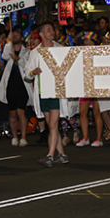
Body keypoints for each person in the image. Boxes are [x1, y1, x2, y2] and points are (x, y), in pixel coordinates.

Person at [25, 22, 71, 167]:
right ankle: (62, 155)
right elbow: (27, 74)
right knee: (52, 126)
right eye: (49, 30)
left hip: (56, 92)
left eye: (53, 29)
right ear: (41, 34)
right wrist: (34, 72)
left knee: (52, 124)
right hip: (42, 92)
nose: (52, 32)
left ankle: (50, 155)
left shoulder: (60, 50)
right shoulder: (35, 53)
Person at [0, 26, 32, 147]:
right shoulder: (8, 49)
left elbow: (28, 66)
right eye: (13, 34)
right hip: (10, 85)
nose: (15, 36)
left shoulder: (27, 52)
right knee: (12, 113)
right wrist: (8, 41)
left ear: (21, 38)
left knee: (21, 112)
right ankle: (14, 136)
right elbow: (5, 56)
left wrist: (18, 59)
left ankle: (24, 137)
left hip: (22, 86)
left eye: (17, 34)